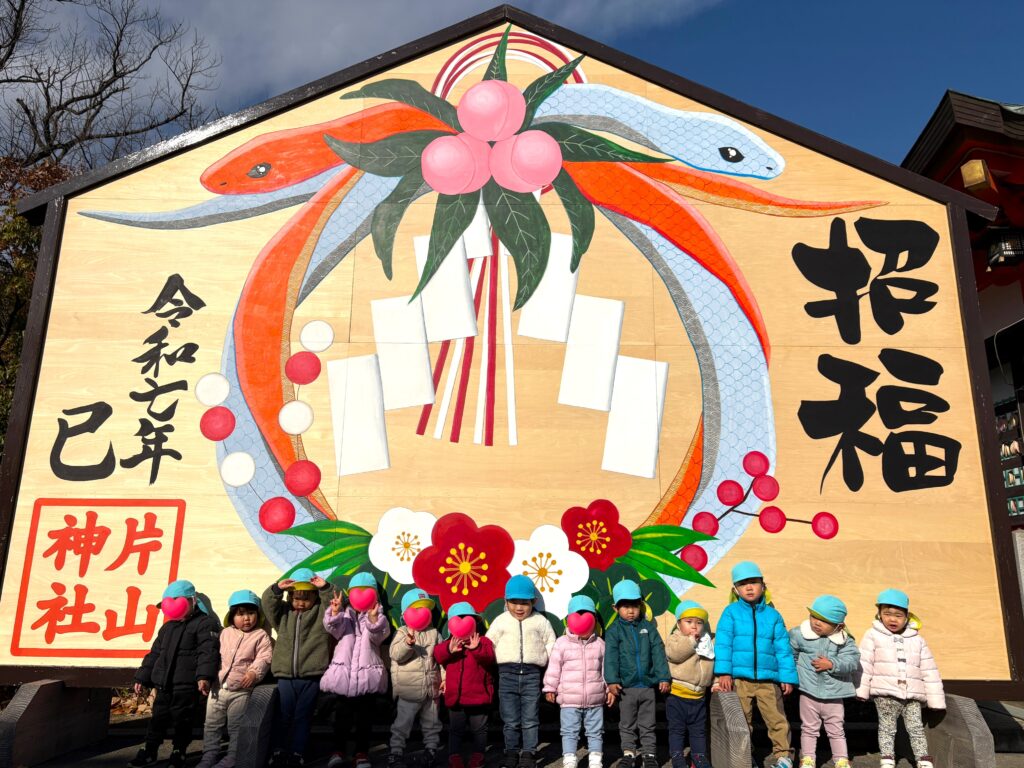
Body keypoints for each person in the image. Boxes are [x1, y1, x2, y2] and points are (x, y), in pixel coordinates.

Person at [714, 561, 798, 768]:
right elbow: (723, 643)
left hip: (768, 680)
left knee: (777, 719)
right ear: (735, 590)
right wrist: (724, 672)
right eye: (743, 584)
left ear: (763, 586)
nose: (749, 588)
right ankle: (743, 757)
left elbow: (783, 649)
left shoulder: (773, 615)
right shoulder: (730, 613)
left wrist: (787, 676)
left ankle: (784, 756)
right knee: (740, 722)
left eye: (753, 582)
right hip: (740, 679)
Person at [129, 580, 220, 768]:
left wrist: (204, 676)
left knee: (183, 719)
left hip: (186, 683)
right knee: (157, 717)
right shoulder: (167, 627)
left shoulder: (205, 623)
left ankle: (179, 751)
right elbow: (155, 653)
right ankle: (150, 749)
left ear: (192, 601)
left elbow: (208, 651)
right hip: (163, 683)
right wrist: (142, 676)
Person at [856, 589, 945, 768]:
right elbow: (864, 663)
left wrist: (936, 701)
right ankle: (887, 757)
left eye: (898, 615)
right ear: (879, 614)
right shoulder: (872, 635)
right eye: (887, 614)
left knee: (916, 727)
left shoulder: (917, 640)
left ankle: (922, 758)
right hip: (885, 693)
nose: (892, 619)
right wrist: (861, 690)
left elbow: (929, 670)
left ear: (907, 617)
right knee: (887, 728)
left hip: (912, 695)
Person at [262, 567, 334, 768]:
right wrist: (276, 589)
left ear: (315, 597)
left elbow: (335, 605)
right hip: (285, 675)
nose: (300, 603)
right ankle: (278, 750)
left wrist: (325, 587)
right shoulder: (284, 614)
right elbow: (267, 605)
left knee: (303, 716)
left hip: (312, 675)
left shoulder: (320, 613)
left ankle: (297, 752)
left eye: (306, 598)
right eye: (296, 598)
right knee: (283, 715)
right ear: (290, 597)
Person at [322, 571, 391, 768]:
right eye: (356, 592)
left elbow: (379, 636)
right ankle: (338, 751)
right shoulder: (346, 616)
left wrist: (373, 619)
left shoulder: (378, 617)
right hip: (344, 678)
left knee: (364, 720)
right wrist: (334, 613)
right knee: (341, 718)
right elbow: (334, 630)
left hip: (366, 678)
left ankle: (361, 753)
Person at [486, 574, 556, 768]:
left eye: (524, 603)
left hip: (532, 675)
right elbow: (489, 643)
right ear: (506, 602)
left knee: (530, 718)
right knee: (510, 719)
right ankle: (511, 751)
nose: (519, 608)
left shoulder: (540, 621)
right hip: (506, 674)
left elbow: (551, 641)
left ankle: (529, 752)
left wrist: (546, 657)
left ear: (533, 602)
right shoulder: (500, 621)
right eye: (514, 602)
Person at [198, 589, 274, 768]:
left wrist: (254, 673)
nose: (246, 618)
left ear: (258, 615)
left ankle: (232, 756)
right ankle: (209, 755)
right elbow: (212, 656)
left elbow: (264, 658)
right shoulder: (225, 633)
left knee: (236, 727)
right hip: (217, 689)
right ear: (232, 616)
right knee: (211, 724)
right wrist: (206, 677)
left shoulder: (261, 636)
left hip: (241, 691)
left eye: (251, 613)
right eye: (241, 614)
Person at [603, 579, 670, 768]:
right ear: (615, 608)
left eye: (635, 605)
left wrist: (663, 676)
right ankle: (629, 754)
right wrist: (612, 680)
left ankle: (649, 754)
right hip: (627, 688)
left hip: (647, 686)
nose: (631, 611)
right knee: (627, 723)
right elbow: (610, 657)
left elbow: (658, 651)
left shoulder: (648, 628)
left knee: (648, 723)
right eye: (625, 606)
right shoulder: (614, 631)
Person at [788, 595, 859, 768]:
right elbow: (791, 655)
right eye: (814, 617)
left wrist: (832, 664)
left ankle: (841, 759)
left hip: (834, 694)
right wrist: (796, 675)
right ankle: (808, 759)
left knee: (836, 728)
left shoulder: (844, 641)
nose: (817, 623)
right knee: (809, 728)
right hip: (808, 692)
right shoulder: (799, 634)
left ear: (838, 626)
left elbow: (852, 662)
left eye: (824, 621)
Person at [542, 594, 611, 768]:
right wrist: (550, 687)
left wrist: (609, 689)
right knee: (569, 731)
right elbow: (554, 668)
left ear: (594, 620)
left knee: (595, 732)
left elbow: (606, 670)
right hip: (569, 700)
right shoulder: (561, 643)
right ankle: (569, 758)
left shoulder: (600, 644)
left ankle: (596, 759)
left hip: (595, 699)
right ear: (569, 620)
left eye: (587, 616)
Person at [434, 601, 497, 768]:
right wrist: (449, 649)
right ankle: (454, 755)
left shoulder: (483, 642)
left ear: (475, 623)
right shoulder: (448, 644)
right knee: (455, 730)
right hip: (456, 698)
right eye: (458, 619)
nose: (463, 622)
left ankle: (478, 755)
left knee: (479, 730)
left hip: (479, 697)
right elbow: (438, 655)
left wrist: (476, 649)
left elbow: (490, 660)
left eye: (467, 619)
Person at [389, 589, 443, 768]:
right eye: (416, 608)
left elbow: (441, 658)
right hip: (409, 689)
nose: (422, 612)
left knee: (432, 723)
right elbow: (395, 654)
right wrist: (407, 645)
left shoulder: (435, 633)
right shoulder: (402, 632)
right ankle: (396, 752)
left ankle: (431, 750)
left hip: (431, 688)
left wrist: (444, 678)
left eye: (425, 609)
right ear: (405, 614)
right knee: (402, 724)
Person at [664, 600, 715, 768]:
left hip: (699, 696)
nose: (694, 627)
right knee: (677, 730)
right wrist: (691, 642)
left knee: (698, 730)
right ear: (679, 623)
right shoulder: (676, 638)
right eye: (689, 622)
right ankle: (677, 756)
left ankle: (698, 756)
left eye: (699, 623)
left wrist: (714, 682)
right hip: (678, 695)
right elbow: (675, 655)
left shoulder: (707, 641)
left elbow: (711, 664)